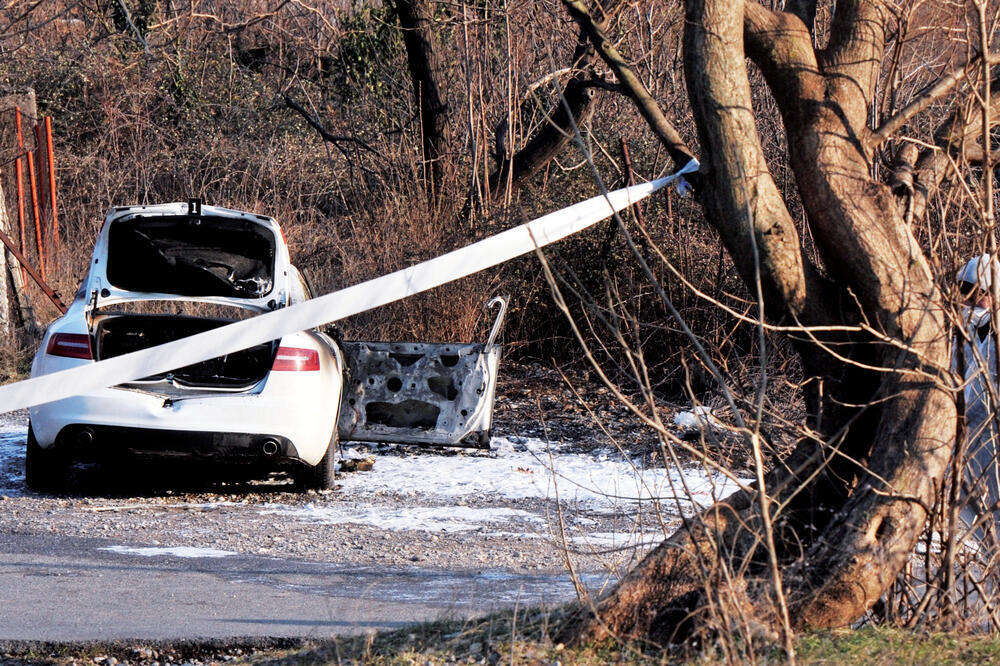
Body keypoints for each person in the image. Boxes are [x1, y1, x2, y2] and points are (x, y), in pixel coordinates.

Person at [956, 254, 1000, 545]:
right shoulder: (958, 332)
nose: (969, 299)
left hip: (992, 444)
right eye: (964, 289)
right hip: (964, 444)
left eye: (978, 291)